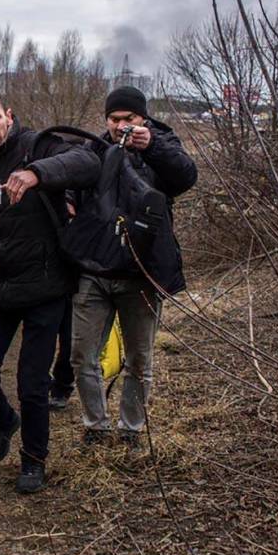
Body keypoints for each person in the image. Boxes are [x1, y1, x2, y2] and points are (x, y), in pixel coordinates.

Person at [0, 91, 100, 493]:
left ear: (9, 115)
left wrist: (37, 172)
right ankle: (3, 420)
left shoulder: (36, 144)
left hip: (46, 286)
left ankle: (34, 460)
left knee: (33, 384)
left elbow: (88, 161)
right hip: (0, 286)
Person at [70, 86, 197, 447]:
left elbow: (185, 177)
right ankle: (95, 425)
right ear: (106, 119)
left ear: (143, 118)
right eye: (114, 119)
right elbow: (72, 182)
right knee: (82, 356)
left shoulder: (163, 145)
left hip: (141, 273)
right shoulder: (95, 149)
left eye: (129, 119)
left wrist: (150, 146)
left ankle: (131, 430)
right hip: (95, 272)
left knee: (140, 360)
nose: (121, 125)